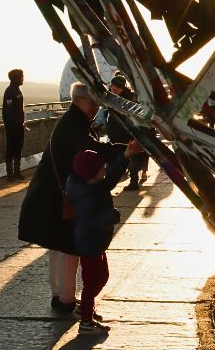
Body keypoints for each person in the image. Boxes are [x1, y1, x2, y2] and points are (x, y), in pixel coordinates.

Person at [18, 81, 135, 317]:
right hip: (58, 197)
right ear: (78, 100)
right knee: (67, 247)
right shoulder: (74, 125)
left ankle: (61, 296)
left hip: (53, 194)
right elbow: (93, 151)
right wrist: (125, 151)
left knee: (59, 246)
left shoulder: (75, 121)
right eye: (93, 102)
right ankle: (65, 300)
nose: (96, 107)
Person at [66, 148, 127, 335]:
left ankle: (84, 309)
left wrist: (125, 156)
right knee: (91, 283)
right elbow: (89, 223)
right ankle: (86, 322)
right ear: (92, 173)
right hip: (89, 245)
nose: (105, 169)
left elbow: (110, 178)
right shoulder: (86, 196)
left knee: (102, 277)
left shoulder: (93, 184)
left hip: (97, 244)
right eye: (102, 168)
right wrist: (110, 217)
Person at [107, 73, 147, 189]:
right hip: (120, 133)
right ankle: (132, 180)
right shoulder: (117, 97)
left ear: (119, 87)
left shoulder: (124, 99)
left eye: (113, 85)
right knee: (130, 156)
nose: (111, 87)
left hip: (126, 133)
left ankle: (133, 182)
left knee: (132, 156)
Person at [2, 68, 25, 181]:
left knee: (18, 148)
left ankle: (17, 172)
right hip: (12, 128)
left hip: (19, 126)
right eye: (22, 76)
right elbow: (8, 112)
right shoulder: (10, 91)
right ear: (17, 78)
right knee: (10, 149)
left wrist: (21, 123)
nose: (23, 79)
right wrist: (13, 126)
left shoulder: (17, 90)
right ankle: (10, 175)